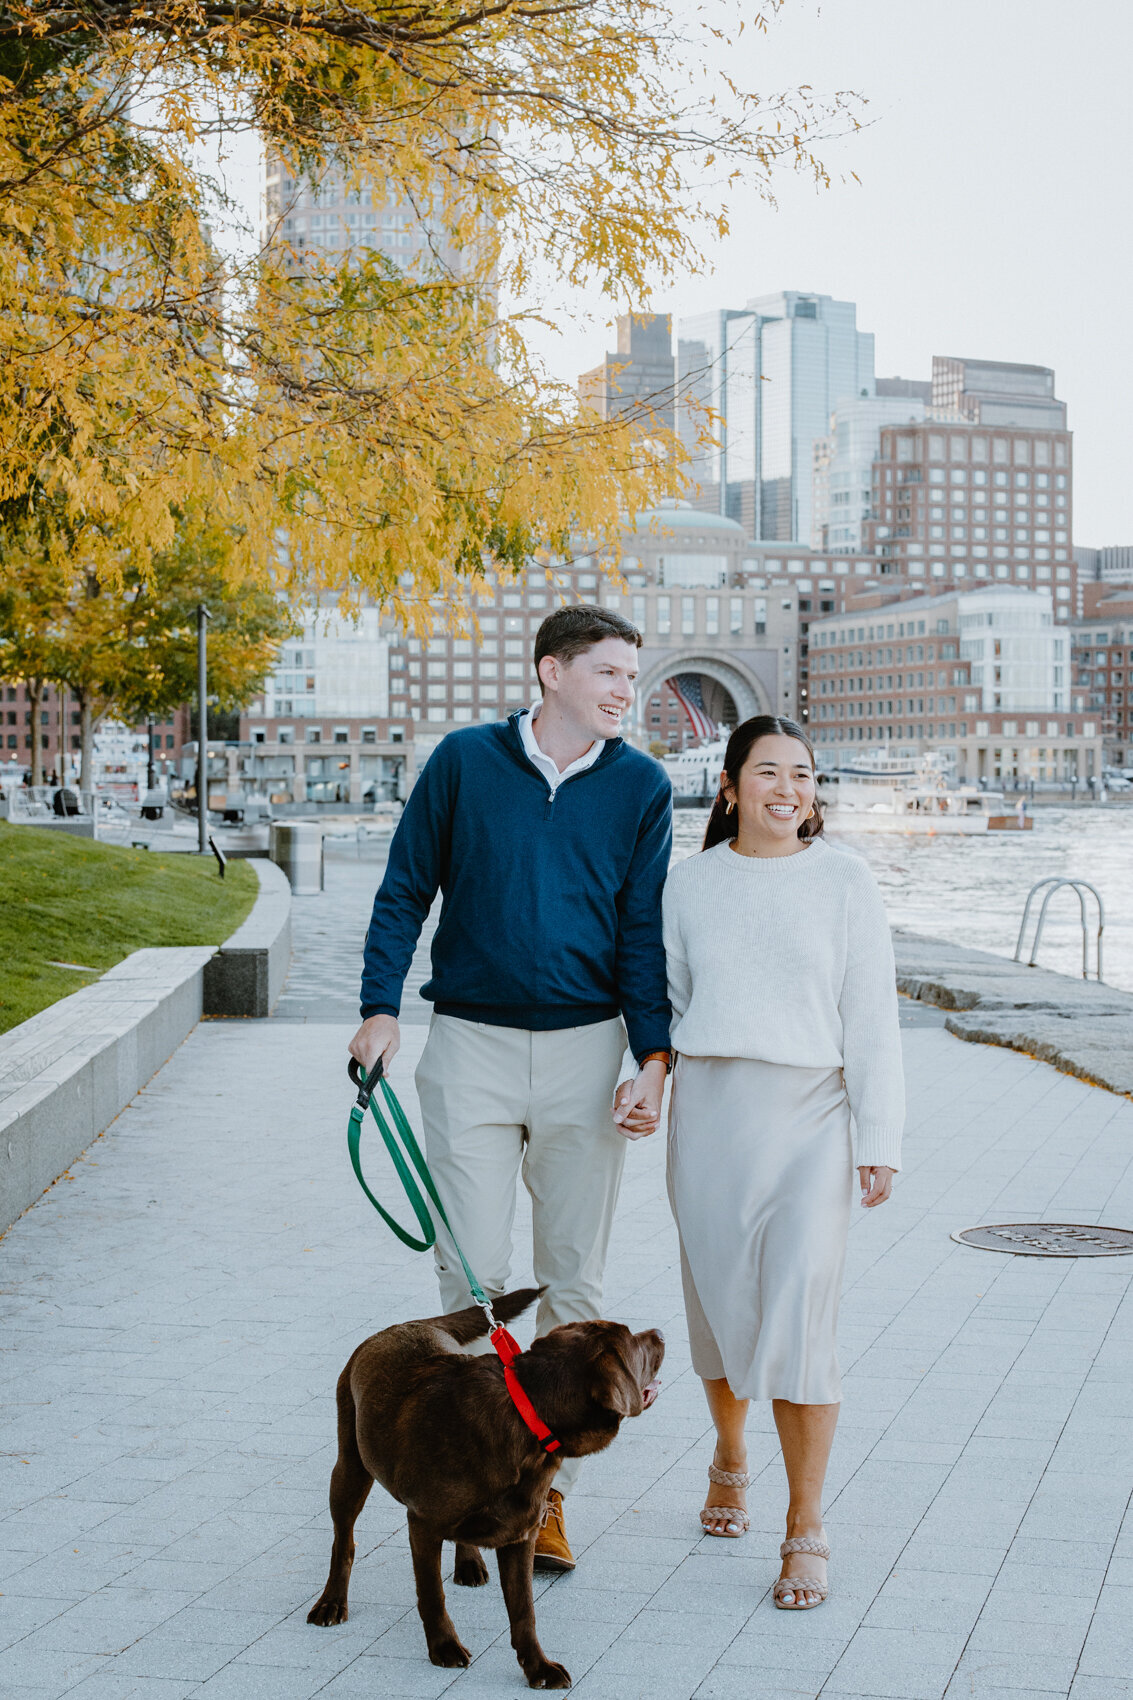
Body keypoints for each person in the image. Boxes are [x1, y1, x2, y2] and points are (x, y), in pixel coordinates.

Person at [349, 604, 673, 1572]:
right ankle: (473, 1472)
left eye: (631, 674)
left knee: (574, 1281)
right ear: (551, 671)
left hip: (587, 1049)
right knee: (472, 1282)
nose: (626, 690)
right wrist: (378, 1006)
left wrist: (652, 1059)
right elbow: (405, 885)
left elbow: (642, 936)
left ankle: (547, 1498)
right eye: (609, 672)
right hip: (471, 1046)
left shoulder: (642, 786)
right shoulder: (462, 762)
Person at [615, 714, 903, 1610]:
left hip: (815, 1117)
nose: (789, 789)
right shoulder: (688, 885)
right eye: (769, 772)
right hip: (711, 1118)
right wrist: (649, 1083)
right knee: (721, 1309)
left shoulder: (845, 881)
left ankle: (805, 1527)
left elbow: (873, 1019)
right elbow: (663, 1002)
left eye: (804, 775)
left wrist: (879, 1137)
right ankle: (730, 1458)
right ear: (731, 785)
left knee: (801, 1319)